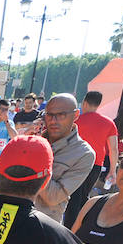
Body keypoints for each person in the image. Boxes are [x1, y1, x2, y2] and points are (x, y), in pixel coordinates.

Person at [35, 93, 95, 226]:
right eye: (49, 115)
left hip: (42, 227)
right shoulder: (33, 139)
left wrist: (35, 155)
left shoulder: (83, 154)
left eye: (61, 115)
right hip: (10, 218)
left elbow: (53, 197)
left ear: (76, 115)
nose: (53, 121)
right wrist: (20, 143)